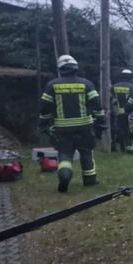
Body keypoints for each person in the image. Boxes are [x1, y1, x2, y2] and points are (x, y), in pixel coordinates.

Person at [39, 55, 107, 192]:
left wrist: (43, 125)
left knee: (64, 154)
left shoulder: (52, 85)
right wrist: (102, 121)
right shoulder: (86, 84)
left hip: (62, 129)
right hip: (84, 127)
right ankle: (90, 180)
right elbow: (97, 105)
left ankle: (64, 175)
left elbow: (45, 108)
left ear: (60, 69)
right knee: (87, 153)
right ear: (75, 68)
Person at [110, 69, 133, 154]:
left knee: (120, 130)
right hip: (131, 113)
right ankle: (129, 147)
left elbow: (111, 98)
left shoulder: (114, 86)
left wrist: (115, 104)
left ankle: (121, 147)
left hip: (119, 112)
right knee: (131, 130)